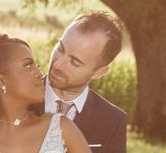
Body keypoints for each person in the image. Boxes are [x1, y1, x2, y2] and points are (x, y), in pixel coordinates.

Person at [0, 33, 91, 153]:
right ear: (1, 80)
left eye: (37, 66)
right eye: (28, 65)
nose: (39, 73)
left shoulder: (61, 128)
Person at [42, 11, 127, 152]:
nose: (58, 65)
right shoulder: (12, 96)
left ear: (99, 72)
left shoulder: (113, 120)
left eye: (74, 62)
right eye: (60, 49)